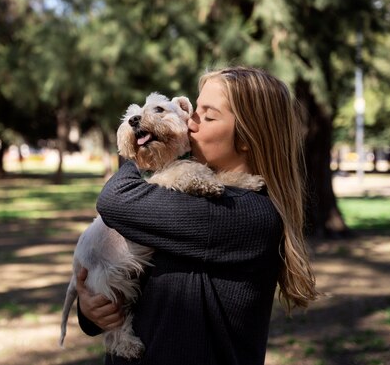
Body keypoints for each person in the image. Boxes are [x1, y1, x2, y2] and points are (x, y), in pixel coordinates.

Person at [75, 66, 318, 365]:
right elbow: (136, 282)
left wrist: (142, 145)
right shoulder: (192, 196)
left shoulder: (242, 214)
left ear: (245, 138)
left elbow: (115, 200)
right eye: (194, 111)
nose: (189, 123)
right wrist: (91, 312)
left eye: (208, 116)